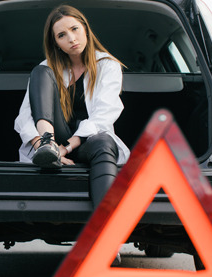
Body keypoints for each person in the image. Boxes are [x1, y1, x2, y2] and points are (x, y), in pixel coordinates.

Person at [13, 5, 130, 209]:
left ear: (85, 28)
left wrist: (65, 148)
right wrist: (44, 147)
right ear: (56, 43)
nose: (71, 39)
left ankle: (107, 225)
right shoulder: (46, 68)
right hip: (52, 140)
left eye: (75, 29)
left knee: (103, 141)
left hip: (87, 141)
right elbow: (24, 117)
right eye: (62, 35)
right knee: (40, 70)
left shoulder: (107, 65)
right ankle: (47, 145)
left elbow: (104, 115)